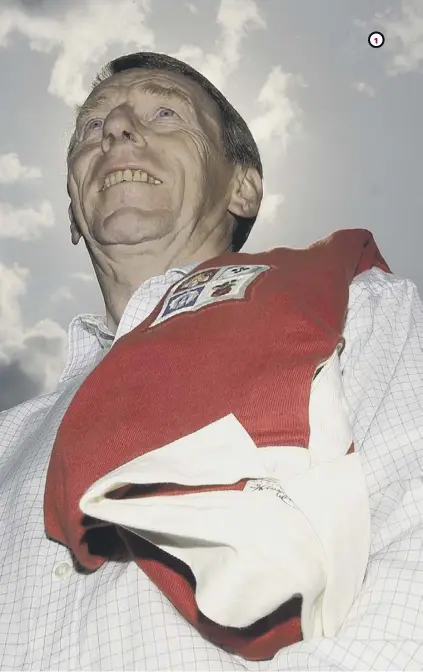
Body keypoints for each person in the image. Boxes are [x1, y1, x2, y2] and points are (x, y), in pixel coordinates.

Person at [1, 52, 422, 671]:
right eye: (91, 128)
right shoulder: (9, 437)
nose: (115, 130)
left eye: (164, 112)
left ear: (242, 186)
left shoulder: (354, 311)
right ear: (72, 210)